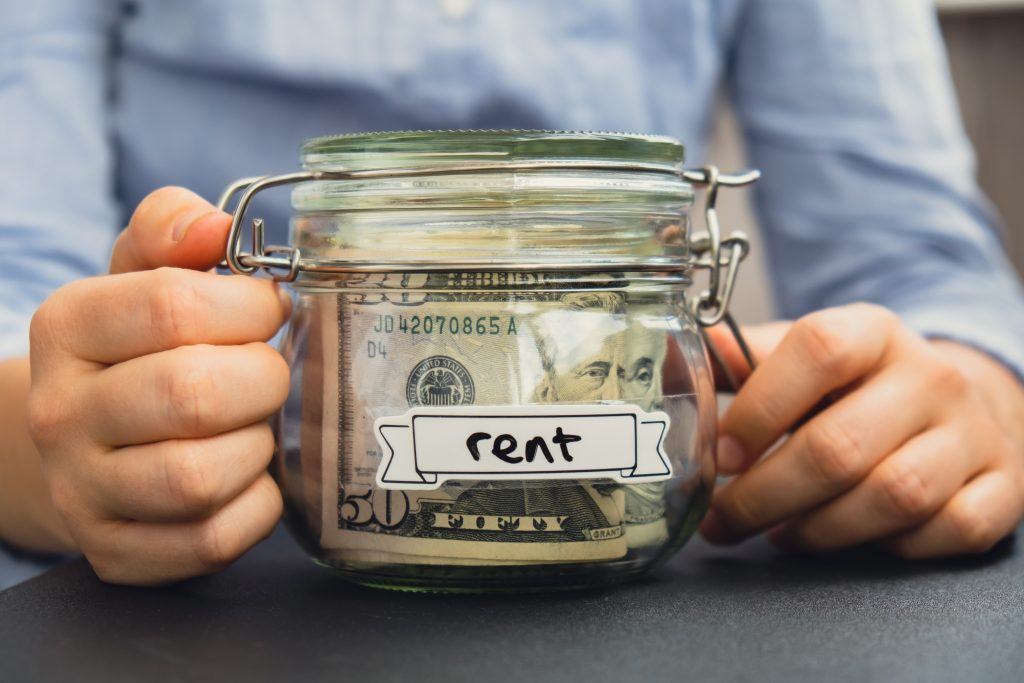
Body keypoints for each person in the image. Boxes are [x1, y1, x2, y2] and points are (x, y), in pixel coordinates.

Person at [1, 0, 1022, 589]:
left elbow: (916, 262)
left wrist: (968, 385)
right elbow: (16, 279)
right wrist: (61, 448)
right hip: (187, 563)